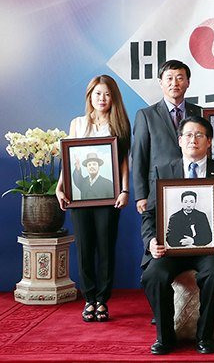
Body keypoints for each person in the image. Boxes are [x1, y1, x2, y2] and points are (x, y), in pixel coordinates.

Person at [141, 116, 214, 356]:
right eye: (188, 135)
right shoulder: (164, 171)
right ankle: (165, 336)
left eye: (199, 135)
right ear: (179, 141)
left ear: (209, 142)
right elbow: (150, 216)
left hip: (209, 249)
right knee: (153, 275)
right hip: (171, 248)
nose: (193, 140)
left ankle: (205, 334)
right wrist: (151, 241)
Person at [55, 75, 131, 323]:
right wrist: (60, 188)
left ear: (114, 97)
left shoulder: (118, 124)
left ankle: (103, 300)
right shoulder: (77, 123)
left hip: (109, 196)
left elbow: (123, 161)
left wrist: (125, 190)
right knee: (85, 248)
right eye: (98, 93)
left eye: (107, 94)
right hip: (79, 196)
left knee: (106, 248)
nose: (102, 99)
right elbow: (69, 161)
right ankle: (89, 299)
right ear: (89, 96)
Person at [132, 60, 201, 214]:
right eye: (169, 78)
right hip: (159, 188)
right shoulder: (146, 115)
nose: (174, 83)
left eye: (180, 78)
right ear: (160, 82)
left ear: (188, 82)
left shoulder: (200, 113)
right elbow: (138, 158)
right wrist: (141, 195)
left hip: (195, 185)